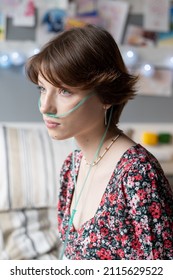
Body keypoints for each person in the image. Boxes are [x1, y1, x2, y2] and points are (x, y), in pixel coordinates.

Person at [25, 24, 173, 260]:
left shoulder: (137, 174)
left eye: (64, 91)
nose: (45, 106)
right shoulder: (71, 166)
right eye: (43, 89)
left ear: (106, 96)